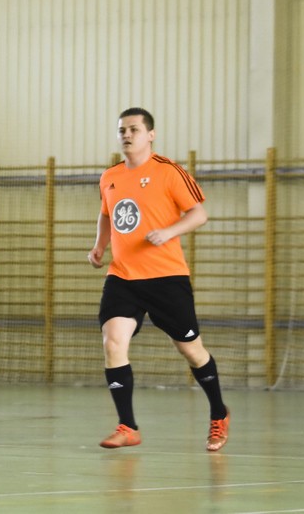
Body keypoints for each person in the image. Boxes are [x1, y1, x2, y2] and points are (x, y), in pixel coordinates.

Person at [87, 107, 230, 451]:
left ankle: (219, 413)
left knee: (191, 351)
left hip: (167, 278)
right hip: (123, 276)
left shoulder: (168, 172)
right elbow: (106, 214)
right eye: (122, 130)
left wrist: (168, 232)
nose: (126, 134)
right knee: (113, 342)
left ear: (150, 134)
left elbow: (199, 214)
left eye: (134, 129)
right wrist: (99, 245)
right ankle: (127, 426)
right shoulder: (110, 176)